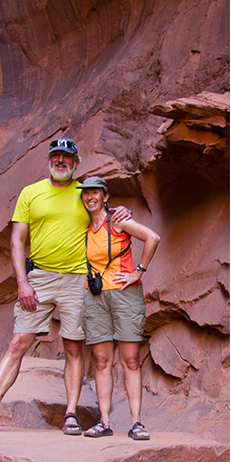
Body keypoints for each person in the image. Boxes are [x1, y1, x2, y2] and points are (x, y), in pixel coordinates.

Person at [0, 139, 131, 435]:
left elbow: (102, 210)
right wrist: (22, 282)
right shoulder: (31, 193)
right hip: (38, 278)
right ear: (49, 160)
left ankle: (70, 414)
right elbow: (17, 240)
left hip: (76, 278)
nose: (61, 161)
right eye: (56, 156)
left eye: (67, 157)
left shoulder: (82, 193)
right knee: (18, 343)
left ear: (76, 162)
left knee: (73, 347)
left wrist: (122, 212)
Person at [77, 176, 160, 440]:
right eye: (86, 193)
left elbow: (152, 237)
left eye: (95, 193)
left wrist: (139, 271)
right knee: (101, 360)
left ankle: (136, 422)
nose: (90, 197)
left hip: (125, 294)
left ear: (105, 196)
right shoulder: (84, 226)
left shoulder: (118, 220)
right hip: (96, 296)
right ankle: (104, 421)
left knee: (130, 360)